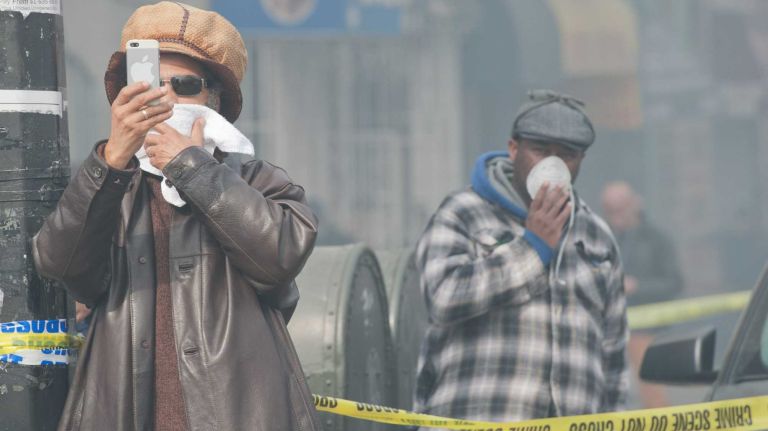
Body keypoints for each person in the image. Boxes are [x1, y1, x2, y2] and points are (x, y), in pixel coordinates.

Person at [32, 3, 321, 430]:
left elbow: (279, 256)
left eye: (184, 84)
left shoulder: (256, 180)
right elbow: (59, 263)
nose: (166, 96)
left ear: (213, 99)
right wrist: (112, 159)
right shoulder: (108, 185)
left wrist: (190, 167)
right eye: (150, 83)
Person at [414, 90, 628, 426]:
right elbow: (442, 298)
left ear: (580, 161)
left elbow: (613, 360)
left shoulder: (596, 238)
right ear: (514, 149)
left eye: (567, 155)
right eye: (541, 150)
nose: (552, 165)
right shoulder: (462, 214)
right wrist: (533, 248)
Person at [601, 181, 683, 408]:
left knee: (652, 395)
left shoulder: (657, 239)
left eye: (620, 207)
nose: (615, 214)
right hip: (605, 331)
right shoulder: (601, 238)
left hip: (645, 331)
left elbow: (674, 283)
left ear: (636, 204)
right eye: (609, 209)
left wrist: (637, 286)